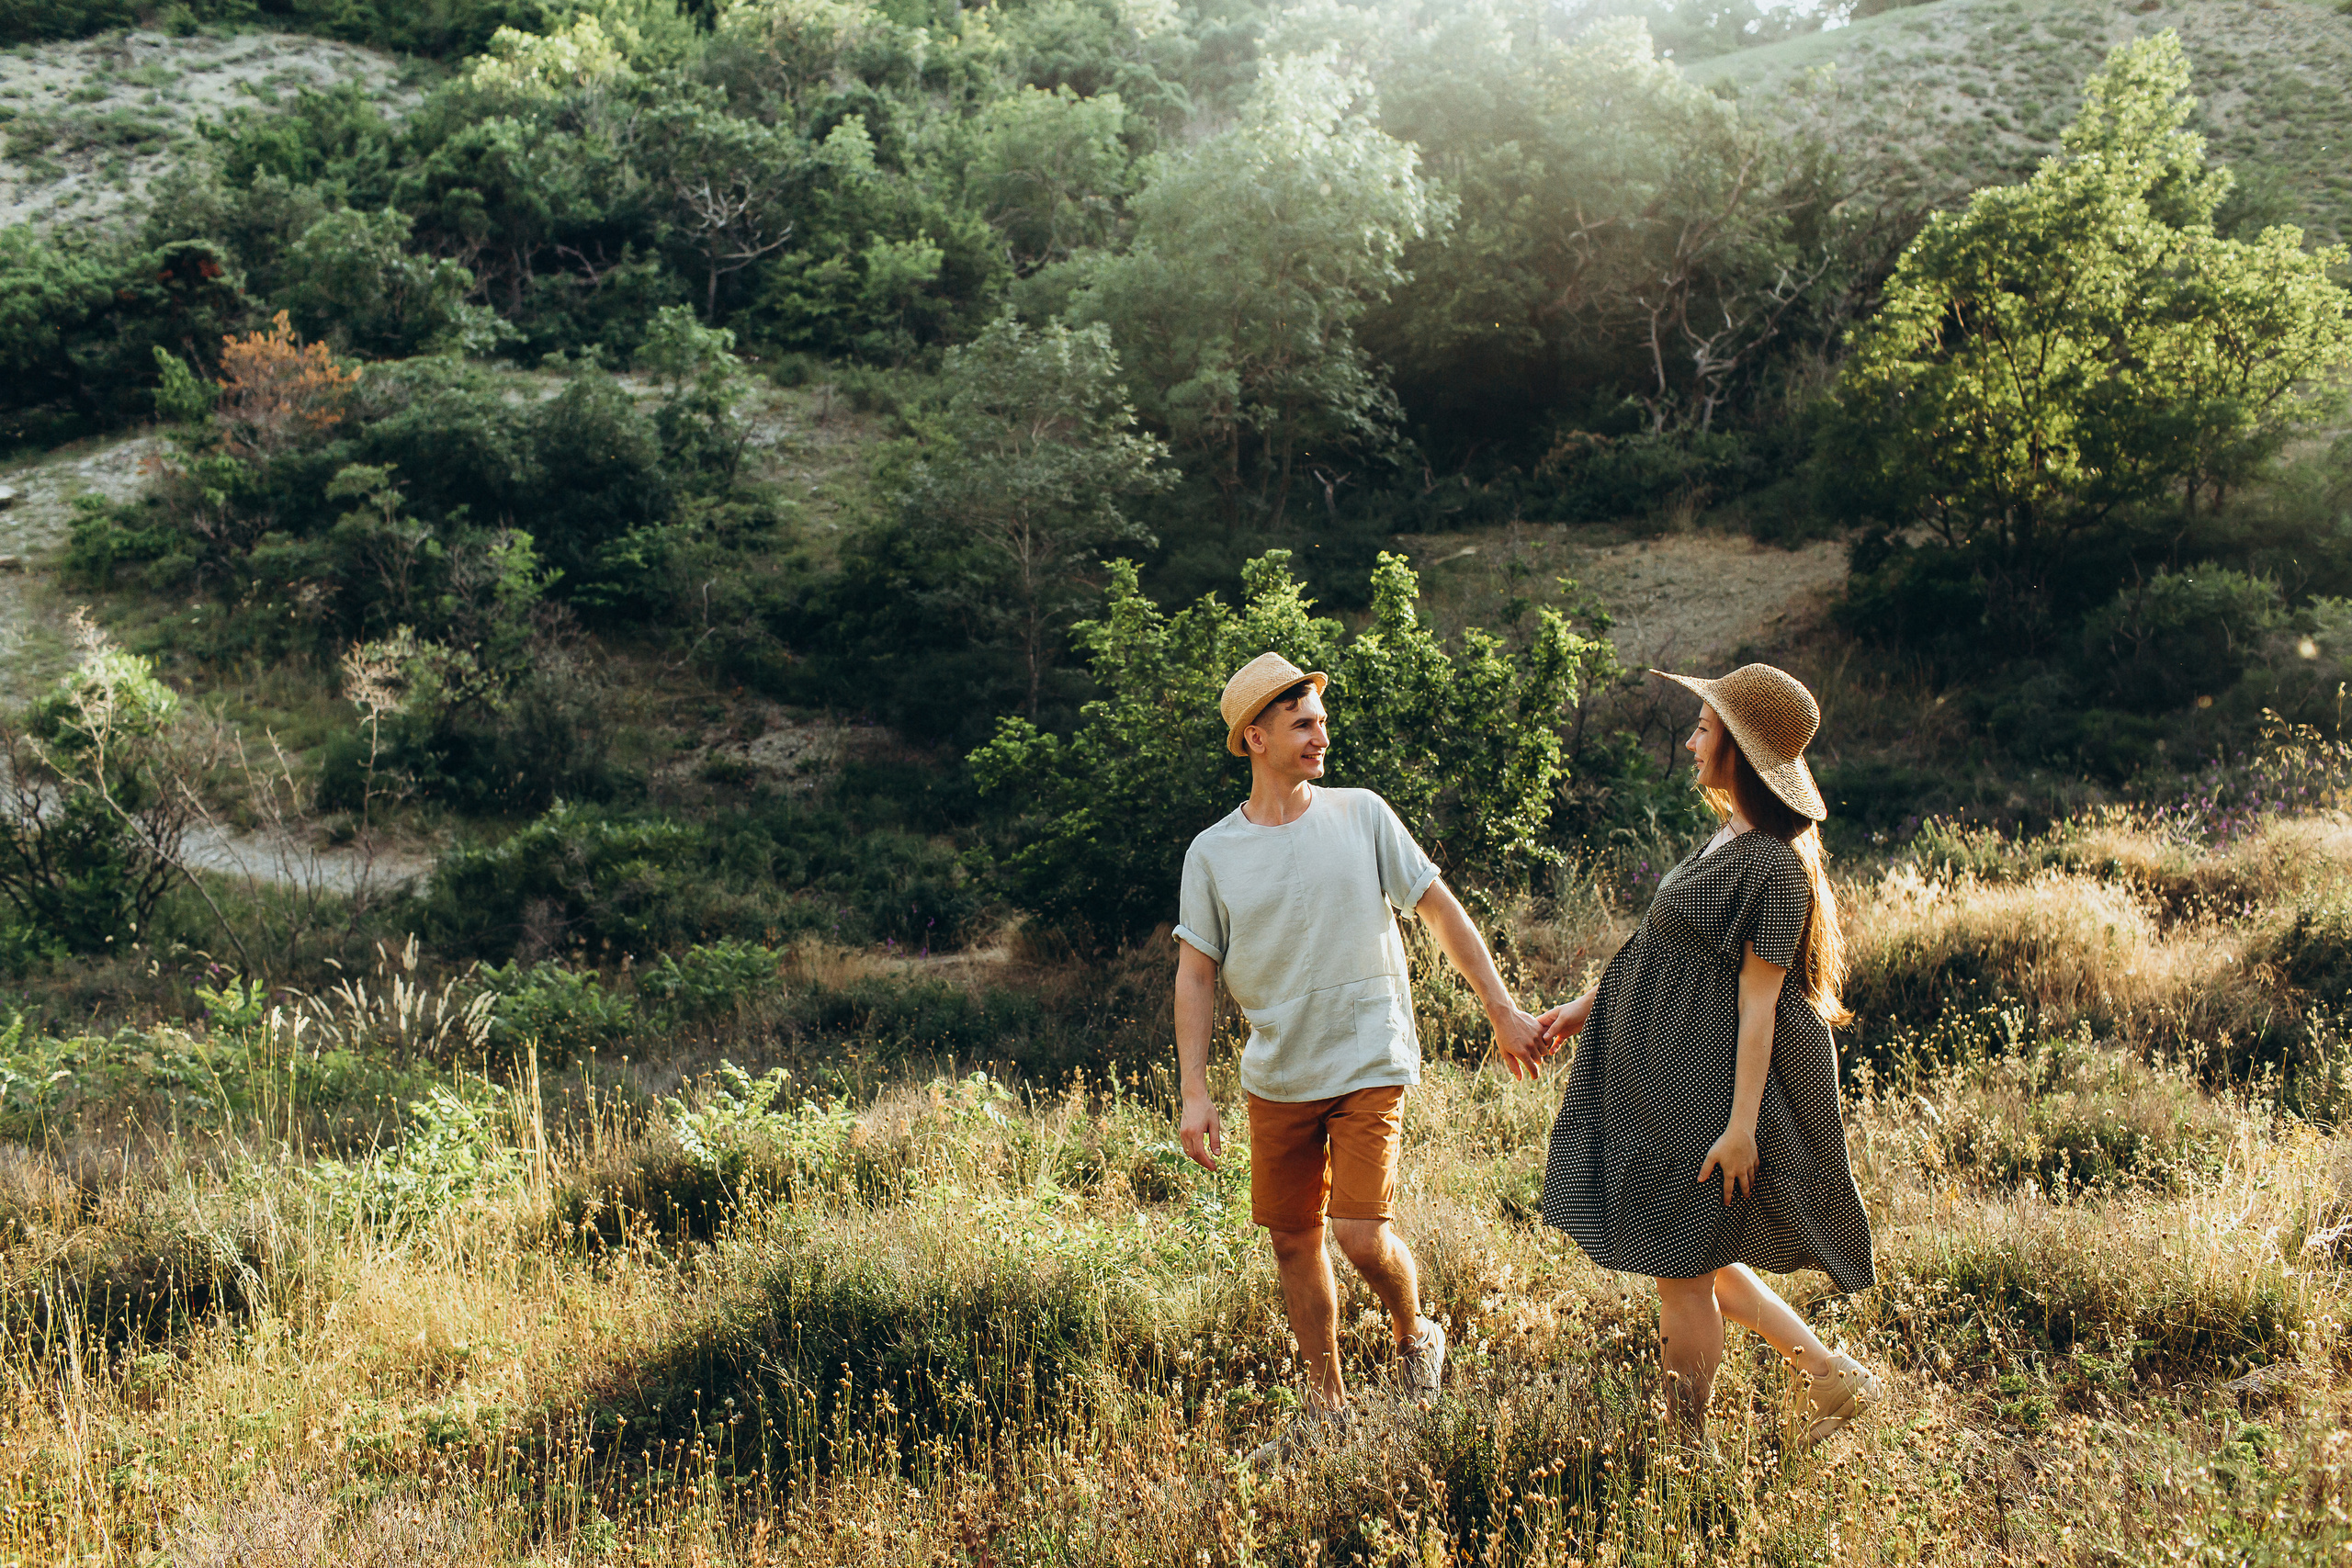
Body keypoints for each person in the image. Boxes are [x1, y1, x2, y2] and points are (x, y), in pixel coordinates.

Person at [1173, 651, 1548, 1465]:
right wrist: (1193, 1090)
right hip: (1277, 1075)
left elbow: (1440, 910)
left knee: (1357, 1232)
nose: (1320, 736)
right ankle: (1328, 1406)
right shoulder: (1213, 854)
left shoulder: (1363, 814)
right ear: (1254, 738)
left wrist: (1502, 1008)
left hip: (1369, 1057)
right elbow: (1196, 971)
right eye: (1303, 724)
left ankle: (1418, 1334)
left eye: (1321, 721)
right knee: (1292, 1241)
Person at [1535, 663, 1880, 1446]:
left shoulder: (1777, 865)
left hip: (1701, 1086)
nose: (1690, 741)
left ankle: (1684, 1449)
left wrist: (1742, 1127)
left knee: (1681, 1270)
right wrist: (1587, 1007)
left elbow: (1761, 1006)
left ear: (1741, 749)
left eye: (1703, 728)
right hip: (1658, 1074)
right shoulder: (1732, 836)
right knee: (1695, 1253)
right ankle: (1829, 1377)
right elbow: (1664, 946)